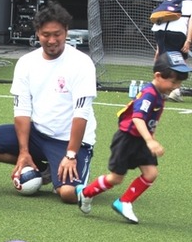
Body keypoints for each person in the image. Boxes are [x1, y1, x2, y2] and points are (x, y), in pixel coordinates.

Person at [0, 1, 97, 204]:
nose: (51, 40)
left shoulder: (81, 63)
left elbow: (81, 113)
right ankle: (41, 169)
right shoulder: (26, 63)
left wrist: (71, 154)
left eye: (57, 34)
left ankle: (67, 167)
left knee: (67, 194)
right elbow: (22, 109)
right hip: (38, 134)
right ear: (37, 33)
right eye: (45, 34)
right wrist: (23, 152)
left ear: (66, 32)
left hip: (69, 141)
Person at [76, 51, 191, 224]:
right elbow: (137, 118)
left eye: (179, 83)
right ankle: (85, 193)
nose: (176, 86)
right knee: (116, 178)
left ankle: (125, 201)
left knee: (151, 173)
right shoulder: (149, 94)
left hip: (141, 141)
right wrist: (150, 141)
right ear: (158, 76)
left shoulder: (159, 93)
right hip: (127, 139)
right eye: (173, 82)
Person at [151, 0, 192, 103]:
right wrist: (188, 40)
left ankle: (157, 88)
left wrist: (158, 48)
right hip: (177, 32)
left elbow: (162, 19)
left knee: (163, 59)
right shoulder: (190, 5)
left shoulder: (173, 3)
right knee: (179, 60)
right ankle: (174, 92)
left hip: (158, 30)